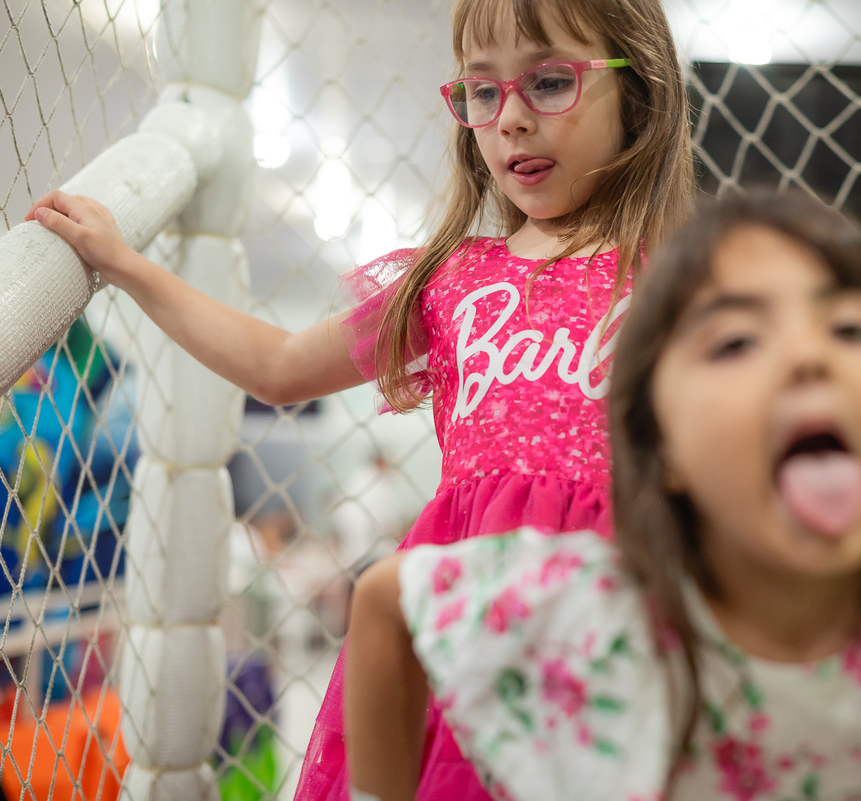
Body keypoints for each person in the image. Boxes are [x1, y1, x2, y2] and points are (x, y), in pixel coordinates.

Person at [24, 0, 694, 796]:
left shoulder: (679, 282)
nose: (510, 117)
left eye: (550, 82)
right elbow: (276, 364)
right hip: (452, 631)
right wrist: (128, 266)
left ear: (640, 94)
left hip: (611, 620)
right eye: (483, 92)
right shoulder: (451, 281)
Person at [345, 190, 861, 801]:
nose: (808, 358)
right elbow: (388, 607)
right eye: (736, 339)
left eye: (853, 329)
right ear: (659, 447)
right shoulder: (588, 613)